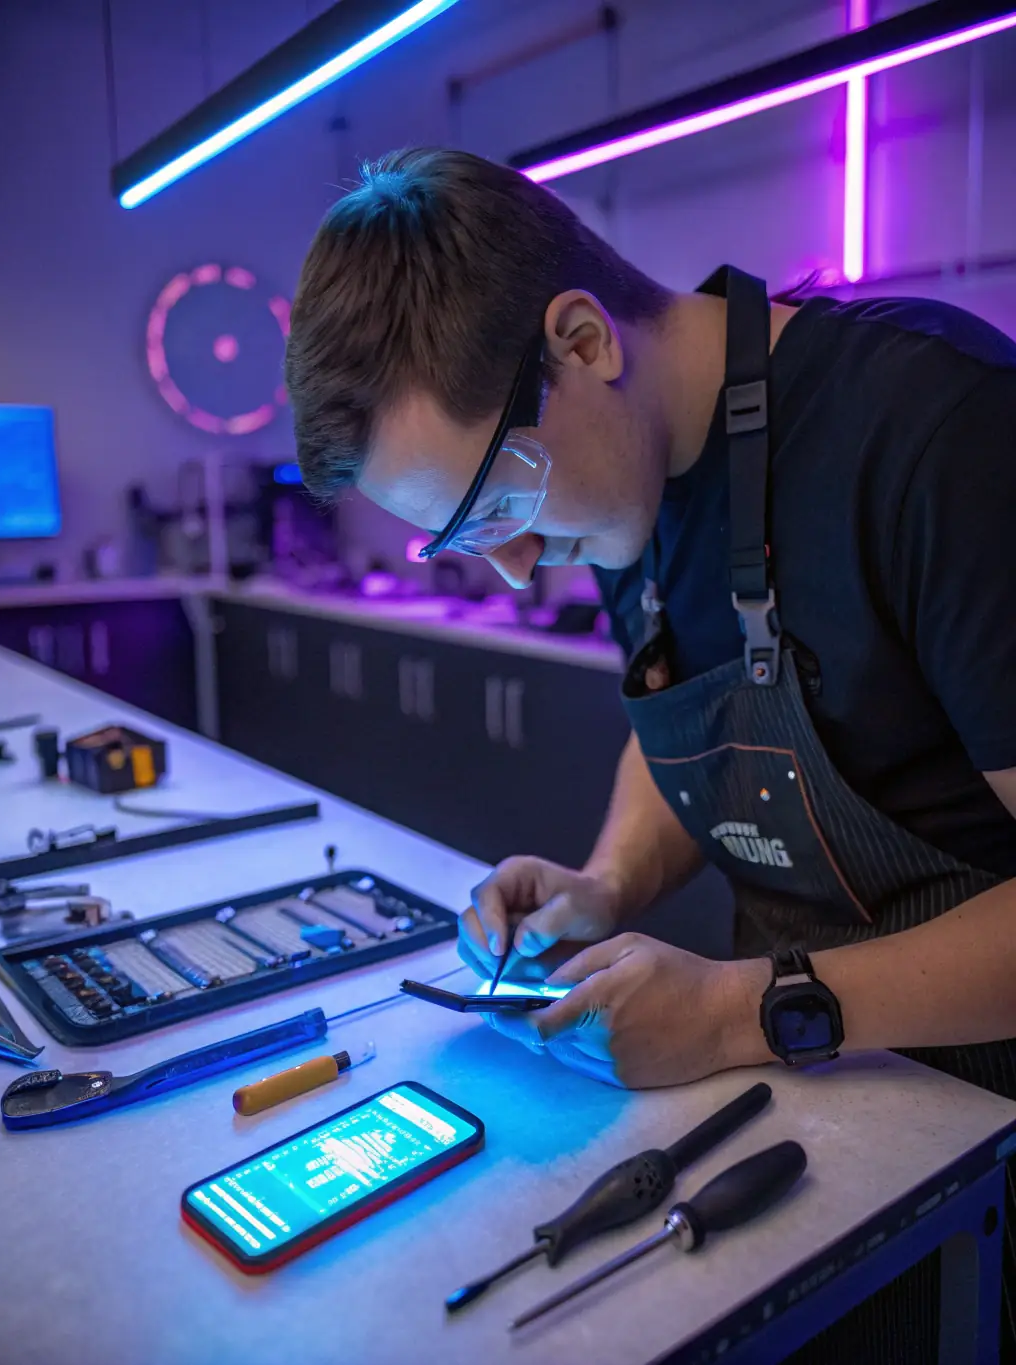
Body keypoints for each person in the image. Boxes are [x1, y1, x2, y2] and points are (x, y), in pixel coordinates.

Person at [286, 147, 1016, 1356]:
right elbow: (698, 728)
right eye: (465, 540)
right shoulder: (632, 485)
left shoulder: (937, 427)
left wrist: (744, 1013)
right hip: (816, 1109)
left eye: (504, 504)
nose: (516, 568)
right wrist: (607, 881)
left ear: (580, 342)